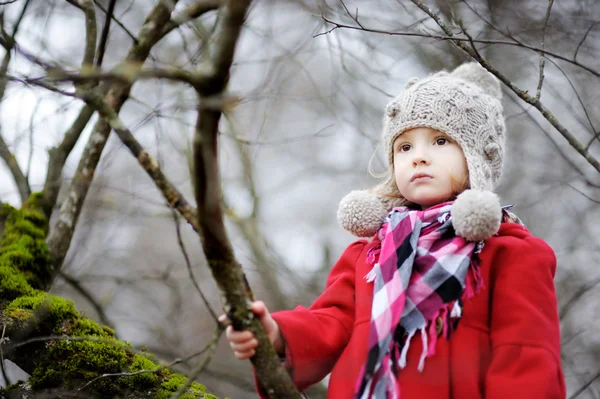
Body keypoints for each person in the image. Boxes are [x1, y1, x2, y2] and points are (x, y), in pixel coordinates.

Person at [220, 62, 566, 398]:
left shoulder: (510, 253)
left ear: (477, 156)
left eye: (440, 141)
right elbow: (332, 321)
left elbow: (527, 358)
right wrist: (277, 335)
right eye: (405, 147)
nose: (419, 156)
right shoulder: (370, 254)